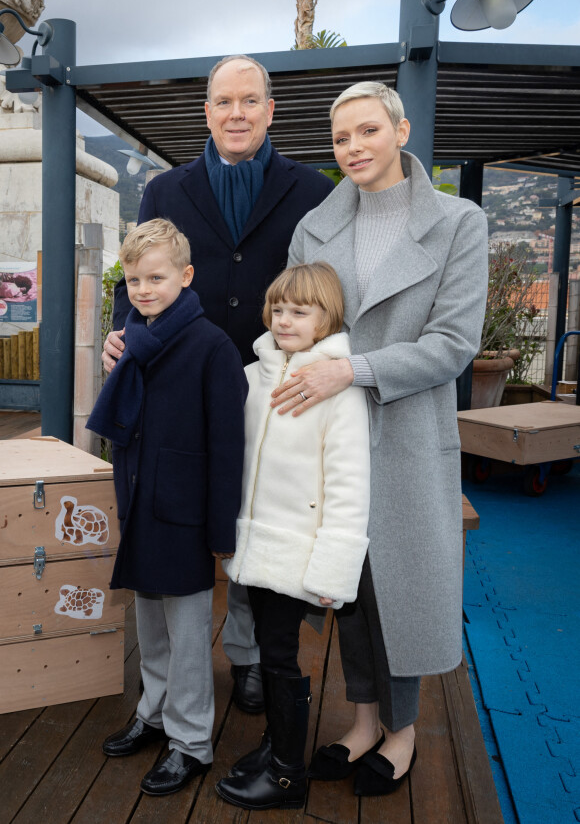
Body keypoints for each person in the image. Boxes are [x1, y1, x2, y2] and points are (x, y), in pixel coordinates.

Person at [270, 82, 489, 796]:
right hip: (333, 440)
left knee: (401, 591)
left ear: (400, 131)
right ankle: (362, 720)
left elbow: (454, 344)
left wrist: (352, 369)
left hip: (405, 434)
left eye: (368, 131)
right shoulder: (315, 228)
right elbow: (300, 324)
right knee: (350, 586)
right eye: (341, 139)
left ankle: (403, 733)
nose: (354, 148)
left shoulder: (459, 223)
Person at [102, 54, 334, 713]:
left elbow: (323, 293)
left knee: (255, 529)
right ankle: (170, 678)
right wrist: (122, 331)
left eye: (250, 101)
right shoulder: (164, 191)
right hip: (177, 394)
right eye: (224, 102)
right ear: (206, 112)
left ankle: (250, 657)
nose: (237, 113)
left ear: (270, 109)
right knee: (178, 521)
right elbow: (135, 280)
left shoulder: (314, 192)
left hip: (271, 394)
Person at [88, 218, 247, 796]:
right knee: (149, 624)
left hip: (185, 512)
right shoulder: (132, 339)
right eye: (133, 280)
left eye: (156, 277)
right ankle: (152, 714)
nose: (144, 289)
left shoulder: (212, 347)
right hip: (139, 499)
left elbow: (229, 446)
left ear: (186, 275)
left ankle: (191, 741)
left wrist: (221, 526)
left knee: (186, 633)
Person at [215, 262, 371, 810]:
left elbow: (350, 486)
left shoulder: (337, 390)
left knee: (280, 655)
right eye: (278, 309)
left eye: (299, 312)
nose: (284, 320)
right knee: (267, 646)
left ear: (326, 318)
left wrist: (333, 570)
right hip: (255, 548)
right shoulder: (255, 374)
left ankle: (286, 775)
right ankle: (274, 747)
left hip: (296, 552)